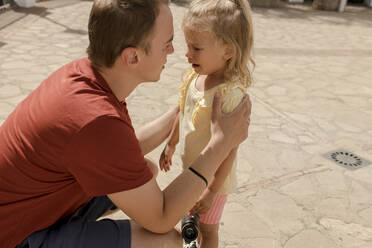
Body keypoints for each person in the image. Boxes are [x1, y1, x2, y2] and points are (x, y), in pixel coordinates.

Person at [0, 0, 251, 248]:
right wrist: (220, 144)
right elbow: (161, 218)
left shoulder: (86, 77)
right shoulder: (96, 121)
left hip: (29, 209)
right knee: (168, 241)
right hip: (16, 237)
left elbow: (122, 149)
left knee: (146, 170)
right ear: (132, 57)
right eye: (167, 44)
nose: (174, 51)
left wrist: (183, 108)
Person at [158, 0, 254, 247]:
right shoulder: (195, 76)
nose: (187, 53)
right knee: (192, 225)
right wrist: (171, 143)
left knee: (208, 232)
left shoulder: (229, 95)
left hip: (214, 181)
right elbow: (184, 111)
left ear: (228, 51)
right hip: (193, 170)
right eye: (188, 45)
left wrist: (212, 191)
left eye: (196, 48)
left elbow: (230, 148)